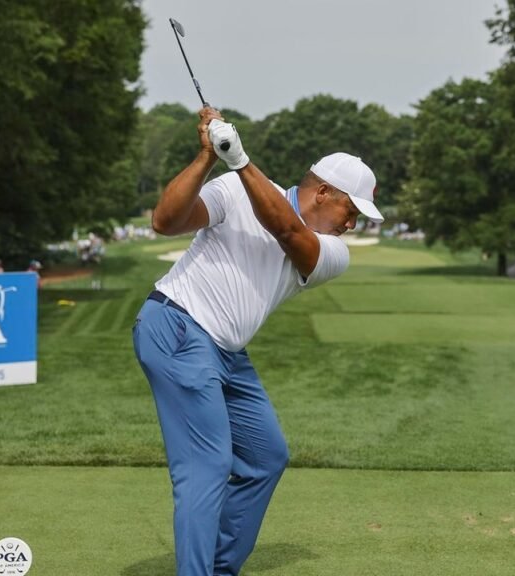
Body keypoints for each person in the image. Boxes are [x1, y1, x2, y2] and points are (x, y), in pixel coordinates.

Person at [132, 107, 381, 576]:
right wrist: (208, 157)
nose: (352, 225)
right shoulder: (232, 189)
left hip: (226, 351)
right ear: (323, 192)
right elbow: (166, 221)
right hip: (177, 326)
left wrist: (240, 160)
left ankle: (218, 568)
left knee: (266, 456)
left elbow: (286, 229)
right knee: (206, 465)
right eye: (351, 211)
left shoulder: (333, 253)